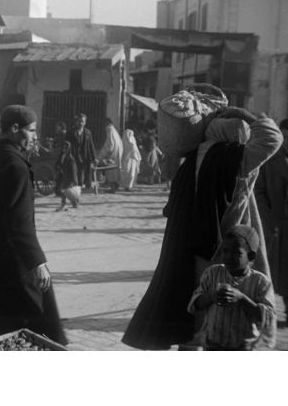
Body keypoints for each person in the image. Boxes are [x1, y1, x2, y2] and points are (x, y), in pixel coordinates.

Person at [122, 107, 282, 350]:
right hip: (225, 248)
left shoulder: (196, 155)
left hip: (189, 245)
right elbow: (272, 138)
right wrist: (248, 115)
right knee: (220, 318)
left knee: (195, 311)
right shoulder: (237, 158)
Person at [0, 104, 67, 345]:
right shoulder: (16, 166)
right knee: (34, 328)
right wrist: (37, 261)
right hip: (13, 266)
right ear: (14, 129)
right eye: (31, 131)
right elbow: (19, 222)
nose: (34, 137)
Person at [187, 225, 276, 350]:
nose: (228, 256)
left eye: (236, 253)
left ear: (251, 256)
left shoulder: (261, 282)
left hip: (244, 347)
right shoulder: (212, 273)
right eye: (225, 251)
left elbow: (268, 319)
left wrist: (242, 299)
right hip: (213, 344)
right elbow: (194, 304)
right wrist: (212, 297)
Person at [255, 117, 288, 319]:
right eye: (284, 137)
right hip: (278, 226)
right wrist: (268, 220)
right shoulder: (270, 160)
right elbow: (259, 192)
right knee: (281, 270)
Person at [67, 113, 96, 190]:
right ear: (76, 122)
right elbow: (67, 144)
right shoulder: (71, 132)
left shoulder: (88, 133)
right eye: (79, 121)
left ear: (85, 123)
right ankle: (77, 187)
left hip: (85, 156)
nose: (80, 123)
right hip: (74, 156)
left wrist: (94, 157)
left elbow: (91, 145)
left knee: (85, 173)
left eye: (82, 121)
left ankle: (85, 186)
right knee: (76, 175)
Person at [97, 117, 123, 192]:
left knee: (111, 170)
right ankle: (113, 185)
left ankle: (113, 187)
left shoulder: (109, 129)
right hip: (117, 152)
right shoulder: (114, 130)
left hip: (113, 153)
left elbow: (110, 144)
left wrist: (101, 156)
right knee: (114, 170)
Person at [55, 141, 80, 210]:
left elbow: (73, 170)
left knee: (69, 191)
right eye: (63, 148)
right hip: (63, 176)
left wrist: (74, 180)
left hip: (69, 177)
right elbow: (57, 164)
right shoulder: (61, 156)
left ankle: (74, 203)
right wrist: (58, 168)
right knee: (64, 191)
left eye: (66, 148)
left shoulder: (71, 159)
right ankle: (64, 204)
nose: (64, 149)